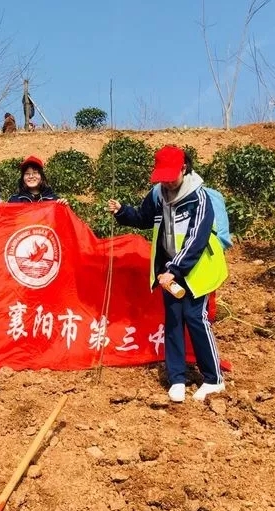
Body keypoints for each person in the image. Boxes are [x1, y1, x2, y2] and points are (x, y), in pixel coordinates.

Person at [107, 145, 227, 403]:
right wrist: (123, 211)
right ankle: (177, 378)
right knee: (173, 320)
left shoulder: (199, 198)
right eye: (163, 177)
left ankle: (213, 379)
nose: (167, 182)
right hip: (171, 269)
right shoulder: (158, 194)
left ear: (184, 168)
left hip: (198, 268)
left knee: (196, 318)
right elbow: (143, 218)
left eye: (171, 177)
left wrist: (174, 269)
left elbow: (196, 239)